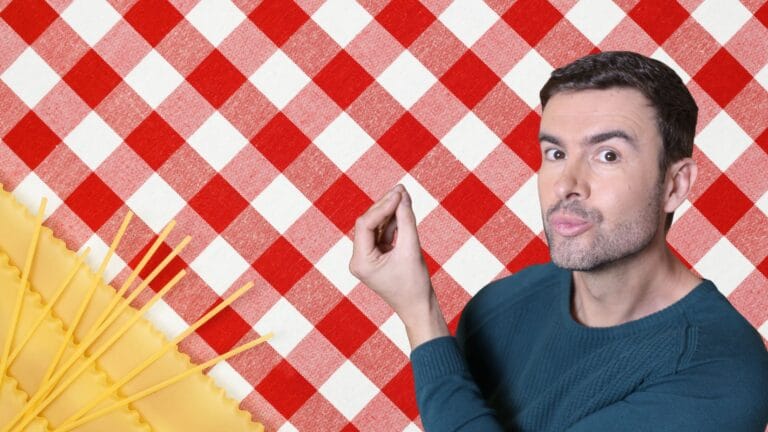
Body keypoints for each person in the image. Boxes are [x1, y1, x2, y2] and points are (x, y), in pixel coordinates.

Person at [349, 51, 768, 431]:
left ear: (674, 186)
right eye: (555, 153)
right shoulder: (497, 310)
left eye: (608, 155)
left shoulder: (721, 372)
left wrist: (420, 314)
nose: (567, 184)